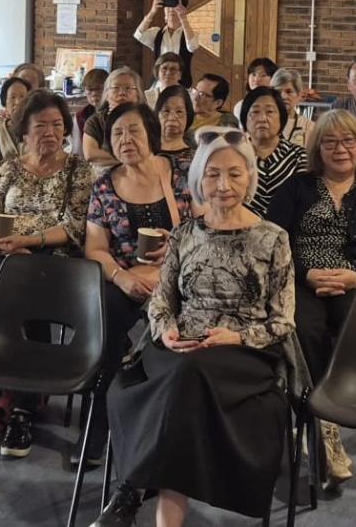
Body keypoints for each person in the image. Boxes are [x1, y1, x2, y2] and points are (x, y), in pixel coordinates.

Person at [95, 127, 296, 527]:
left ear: (250, 177)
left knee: (186, 378)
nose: (223, 185)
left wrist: (235, 336)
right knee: (141, 383)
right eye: (213, 174)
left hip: (243, 350)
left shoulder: (273, 238)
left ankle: (131, 490)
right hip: (181, 344)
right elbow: (162, 300)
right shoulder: (186, 234)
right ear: (199, 181)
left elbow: (283, 320)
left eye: (235, 174)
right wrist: (166, 328)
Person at [0, 90, 94, 450]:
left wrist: (32, 241)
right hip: (3, 258)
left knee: (33, 305)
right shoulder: (9, 168)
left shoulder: (78, 170)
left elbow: (75, 225)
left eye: (57, 125)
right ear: (23, 132)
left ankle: (25, 409)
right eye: (41, 126)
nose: (51, 133)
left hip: (53, 264)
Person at [265, 109, 356, 489]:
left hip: (354, 282)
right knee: (304, 328)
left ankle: (324, 415)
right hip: (300, 280)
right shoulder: (296, 187)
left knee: (353, 328)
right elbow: (272, 242)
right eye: (330, 142)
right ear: (317, 148)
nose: (340, 149)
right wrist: (306, 274)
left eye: (349, 141)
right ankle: (321, 424)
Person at [83, 102, 194, 467]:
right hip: (126, 279)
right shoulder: (104, 186)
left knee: (179, 333)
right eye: (117, 133)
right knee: (107, 318)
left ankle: (163, 426)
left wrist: (174, 249)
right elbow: (96, 249)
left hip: (178, 279)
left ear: (151, 133)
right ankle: (101, 419)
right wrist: (122, 276)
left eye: (134, 130)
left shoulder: (182, 174)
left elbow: (207, 230)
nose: (126, 139)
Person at [239, 87, 306, 217]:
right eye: (255, 112)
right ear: (245, 119)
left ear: (282, 118)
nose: (262, 118)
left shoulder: (300, 157)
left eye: (270, 111)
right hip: (243, 231)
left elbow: (304, 204)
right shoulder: (234, 156)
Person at [82, 68, 145, 172]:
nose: (121, 93)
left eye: (128, 88)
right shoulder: (95, 121)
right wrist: (129, 159)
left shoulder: (147, 120)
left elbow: (153, 151)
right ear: (106, 94)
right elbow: (90, 154)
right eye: (115, 88)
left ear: (138, 94)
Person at [134, 0, 200, 87]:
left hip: (181, 85)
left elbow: (192, 46)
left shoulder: (189, 34)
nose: (171, 10)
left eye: (175, 6)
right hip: (158, 84)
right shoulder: (157, 33)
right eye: (168, 6)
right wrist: (152, 12)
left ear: (184, 9)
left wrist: (183, 18)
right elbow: (139, 35)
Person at [0, 77, 32, 181]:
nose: (17, 102)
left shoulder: (38, 130)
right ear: (4, 102)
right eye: (12, 97)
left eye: (22, 97)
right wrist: (9, 175)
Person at [154, 85, 195, 170]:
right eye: (166, 111)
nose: (172, 117)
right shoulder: (145, 153)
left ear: (188, 116)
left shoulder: (196, 159)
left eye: (179, 111)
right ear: (157, 115)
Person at [272, 68, 314, 147]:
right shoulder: (265, 124)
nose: (283, 96)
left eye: (289, 92)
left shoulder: (310, 127)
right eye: (278, 92)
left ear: (299, 95)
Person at [71, 68, 109, 155]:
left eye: (99, 89)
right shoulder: (80, 116)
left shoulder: (117, 113)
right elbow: (78, 151)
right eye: (90, 89)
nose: (94, 93)